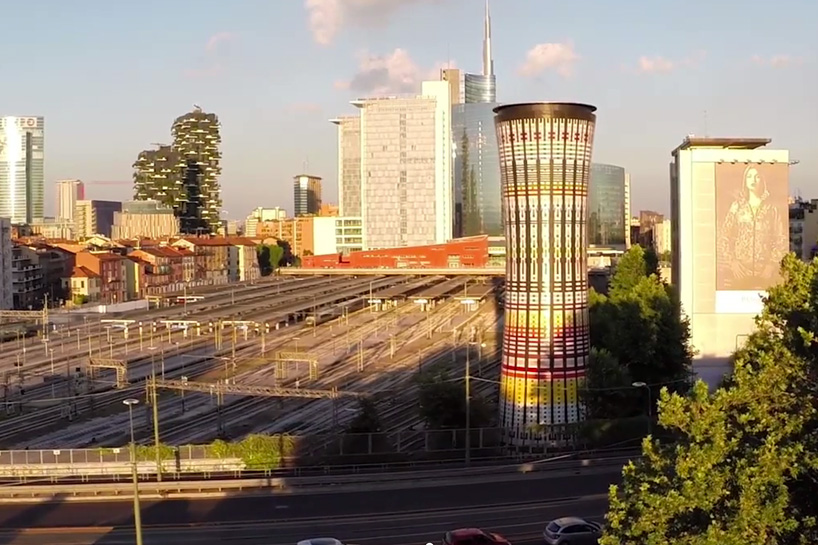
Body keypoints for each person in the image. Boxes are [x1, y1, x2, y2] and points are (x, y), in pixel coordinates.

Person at [717, 165, 788, 290]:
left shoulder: (771, 209)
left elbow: (781, 239)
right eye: (749, 176)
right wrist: (732, 262)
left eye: (757, 176)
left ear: (762, 181)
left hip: (765, 272)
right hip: (740, 271)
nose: (753, 180)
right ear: (745, 180)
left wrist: (771, 265)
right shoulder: (737, 207)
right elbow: (724, 237)